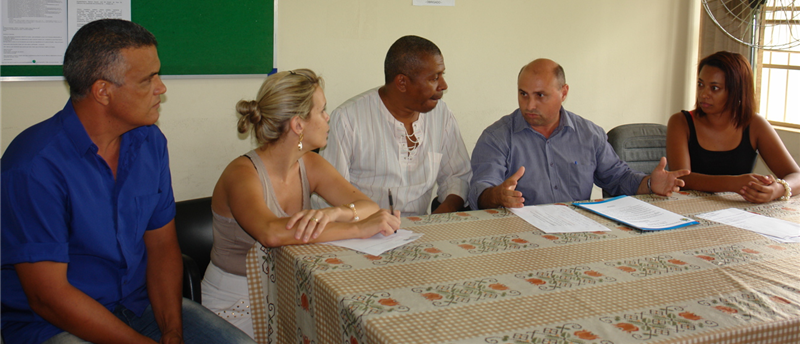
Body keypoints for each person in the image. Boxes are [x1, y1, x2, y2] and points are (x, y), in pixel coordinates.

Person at [0, 19, 253, 344]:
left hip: (137, 308)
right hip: (56, 324)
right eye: (148, 80)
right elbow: (49, 298)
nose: (161, 88)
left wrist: (172, 333)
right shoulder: (33, 167)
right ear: (103, 91)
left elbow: (161, 246)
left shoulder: (150, 143)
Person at [202, 69, 400, 337]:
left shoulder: (310, 164)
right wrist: (355, 228)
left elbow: (368, 207)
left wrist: (335, 213)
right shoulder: (241, 173)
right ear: (298, 125)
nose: (328, 117)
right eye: (322, 111)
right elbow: (272, 232)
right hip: (236, 301)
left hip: (286, 294)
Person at [469, 59, 688, 209]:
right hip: (518, 238)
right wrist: (498, 196)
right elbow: (481, 190)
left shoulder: (589, 135)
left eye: (540, 95)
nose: (530, 104)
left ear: (563, 93)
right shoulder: (497, 137)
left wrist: (650, 184)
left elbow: (618, 178)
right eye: (523, 94)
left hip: (576, 235)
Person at [319, 36, 472, 216]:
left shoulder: (442, 114)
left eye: (442, 75)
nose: (443, 86)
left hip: (421, 229)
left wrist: (443, 212)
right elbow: (326, 198)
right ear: (402, 83)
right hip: (363, 231)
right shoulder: (347, 120)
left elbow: (457, 176)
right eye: (434, 78)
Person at [666, 51, 799, 203]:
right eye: (700, 84)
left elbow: (797, 176)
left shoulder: (755, 124)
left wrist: (777, 189)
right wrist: (733, 183)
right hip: (686, 208)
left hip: (738, 212)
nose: (703, 94)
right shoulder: (681, 122)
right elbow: (682, 178)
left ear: (736, 91)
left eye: (714, 88)